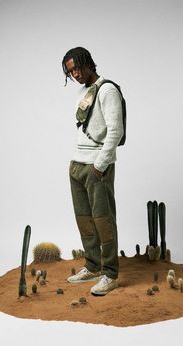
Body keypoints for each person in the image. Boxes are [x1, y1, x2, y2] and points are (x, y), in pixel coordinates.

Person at [62, 47, 124, 295]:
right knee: (84, 219)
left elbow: (115, 130)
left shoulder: (107, 90)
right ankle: (92, 265)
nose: (75, 73)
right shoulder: (82, 91)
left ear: (88, 63)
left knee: (103, 220)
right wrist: (76, 162)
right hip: (78, 163)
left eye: (77, 67)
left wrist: (101, 164)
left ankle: (110, 273)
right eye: (70, 71)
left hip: (97, 165)